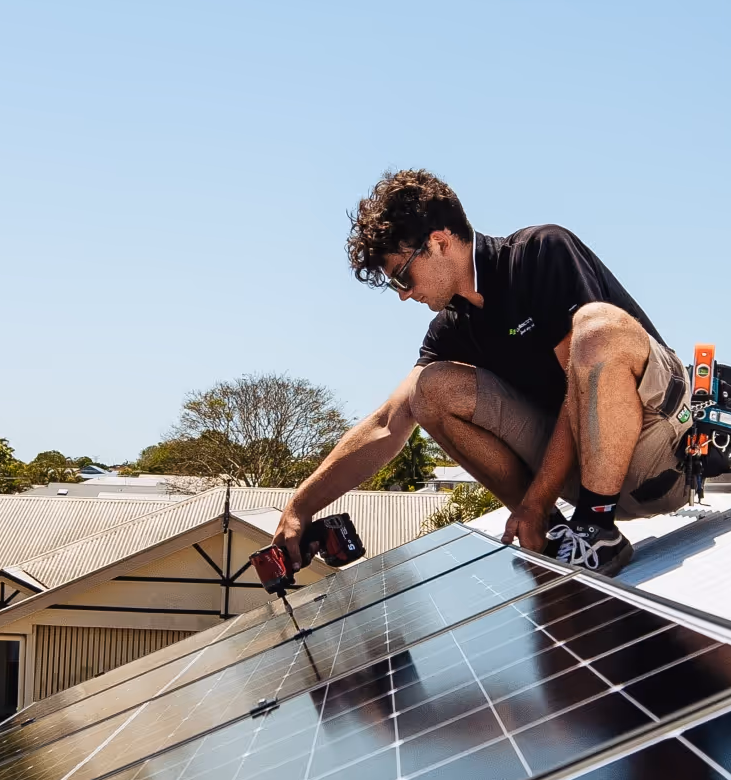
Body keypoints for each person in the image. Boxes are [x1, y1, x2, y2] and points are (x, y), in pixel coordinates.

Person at [276, 169, 694, 576]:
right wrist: (300, 507)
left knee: (598, 327)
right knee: (429, 389)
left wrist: (537, 495)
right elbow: (387, 423)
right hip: (585, 475)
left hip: (660, 451)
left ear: (439, 243)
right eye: (394, 286)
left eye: (403, 276)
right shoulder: (454, 327)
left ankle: (595, 531)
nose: (403, 295)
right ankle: (547, 534)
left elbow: (579, 391)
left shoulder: (540, 253)